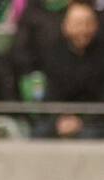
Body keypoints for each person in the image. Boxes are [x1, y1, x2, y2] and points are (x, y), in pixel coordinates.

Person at [37, 1, 104, 140]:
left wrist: (82, 121)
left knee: (91, 135)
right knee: (40, 132)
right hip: (59, 119)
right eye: (77, 23)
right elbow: (50, 95)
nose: (83, 29)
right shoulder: (53, 53)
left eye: (88, 23)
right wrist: (60, 119)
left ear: (96, 25)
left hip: (95, 120)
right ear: (65, 26)